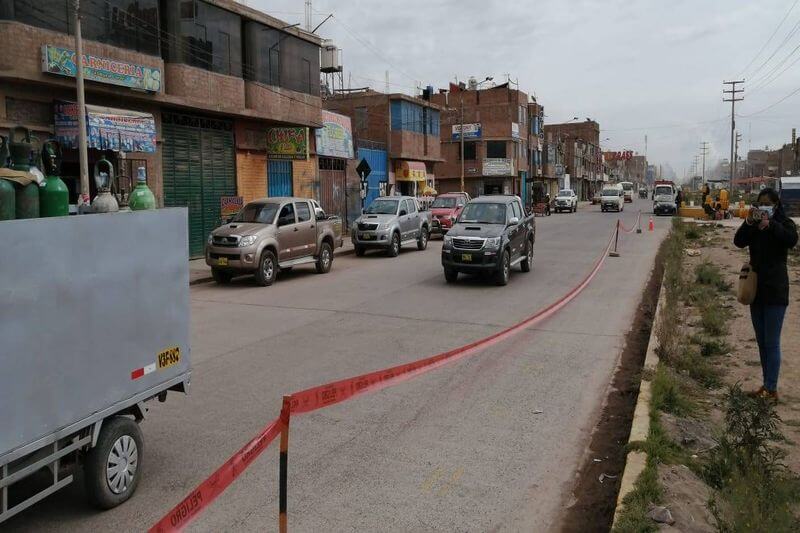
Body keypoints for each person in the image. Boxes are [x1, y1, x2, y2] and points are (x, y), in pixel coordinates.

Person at [734, 188, 798, 401]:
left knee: (772, 342)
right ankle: (767, 385)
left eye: (767, 204)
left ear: (776, 205)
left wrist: (770, 226)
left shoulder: (784, 224)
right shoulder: (754, 224)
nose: (764, 208)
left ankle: (771, 388)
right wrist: (750, 223)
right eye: (760, 204)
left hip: (776, 291)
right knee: (762, 341)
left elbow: (791, 239)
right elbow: (738, 241)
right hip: (756, 291)